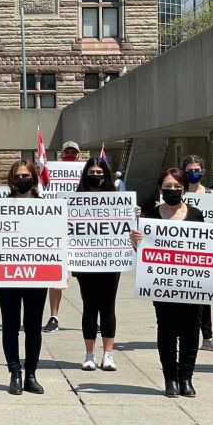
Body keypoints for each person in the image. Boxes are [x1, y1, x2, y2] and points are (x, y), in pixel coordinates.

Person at [130, 168, 213, 398]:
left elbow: (207, 246)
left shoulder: (195, 214)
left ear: (184, 189)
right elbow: (144, 253)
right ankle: (170, 378)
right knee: (166, 330)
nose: (172, 191)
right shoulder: (151, 217)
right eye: (167, 187)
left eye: (176, 187)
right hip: (162, 285)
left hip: (192, 285)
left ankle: (186, 378)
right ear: (160, 188)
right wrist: (135, 242)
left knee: (191, 330)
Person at [0, 160, 49, 395]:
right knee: (10, 324)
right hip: (6, 274)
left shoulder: (46, 207)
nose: (22, 179)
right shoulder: (0, 206)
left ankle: (31, 373)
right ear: (11, 179)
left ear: (33, 178)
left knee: (33, 326)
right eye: (17, 175)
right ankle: (14, 371)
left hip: (37, 275)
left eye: (26, 175)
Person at [73, 157, 121, 372]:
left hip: (111, 261)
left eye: (100, 173)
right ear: (85, 175)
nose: (96, 176)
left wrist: (133, 214)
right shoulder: (76, 199)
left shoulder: (117, 199)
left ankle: (108, 354)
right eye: (92, 172)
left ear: (106, 176)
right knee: (89, 306)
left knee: (108, 306)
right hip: (85, 261)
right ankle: (90, 353)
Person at [180, 154, 213, 353]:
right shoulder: (177, 195)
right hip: (181, 254)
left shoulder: (211, 195)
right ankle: (180, 335)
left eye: (197, 170)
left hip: (205, 255)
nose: (193, 173)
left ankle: (207, 337)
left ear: (204, 171)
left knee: (205, 298)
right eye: (189, 171)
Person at [43, 141, 82, 335]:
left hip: (82, 234)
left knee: (87, 280)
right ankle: (54, 316)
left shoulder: (87, 177)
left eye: (73, 152)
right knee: (56, 278)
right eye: (66, 151)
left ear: (79, 156)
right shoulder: (51, 178)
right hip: (58, 231)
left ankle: (92, 317)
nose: (69, 155)